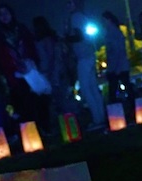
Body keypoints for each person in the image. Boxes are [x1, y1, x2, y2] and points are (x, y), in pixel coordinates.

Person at [0, 3, 50, 133]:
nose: (4, 17)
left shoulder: (21, 29)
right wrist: (12, 68)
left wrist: (31, 61)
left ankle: (43, 128)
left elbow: (32, 47)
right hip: (14, 74)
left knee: (37, 100)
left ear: (11, 14)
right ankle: (29, 132)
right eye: (1, 14)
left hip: (30, 71)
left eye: (6, 13)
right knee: (23, 103)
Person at [64, 0, 106, 129]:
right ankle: (101, 117)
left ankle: (97, 119)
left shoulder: (75, 17)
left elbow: (79, 36)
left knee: (86, 89)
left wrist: (65, 38)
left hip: (83, 57)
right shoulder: (82, 16)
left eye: (70, 3)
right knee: (93, 88)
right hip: (89, 54)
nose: (68, 5)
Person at [33, 15, 69, 121]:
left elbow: (49, 57)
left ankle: (67, 124)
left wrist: (48, 72)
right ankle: (69, 124)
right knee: (60, 99)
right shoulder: (52, 38)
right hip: (57, 72)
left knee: (58, 100)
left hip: (52, 73)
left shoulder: (45, 40)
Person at [101, 11, 132, 104]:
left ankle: (116, 111)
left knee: (113, 91)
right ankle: (132, 108)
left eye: (103, 20)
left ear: (109, 20)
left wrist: (115, 68)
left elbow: (117, 51)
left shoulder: (112, 33)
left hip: (117, 67)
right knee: (126, 87)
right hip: (120, 66)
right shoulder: (116, 32)